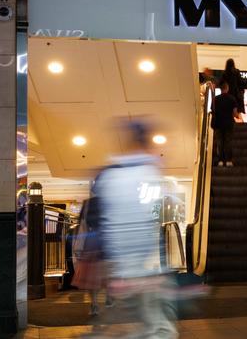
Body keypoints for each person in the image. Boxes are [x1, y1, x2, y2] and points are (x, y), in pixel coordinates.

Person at [88, 119, 177, 339]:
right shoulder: (150, 173)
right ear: (145, 142)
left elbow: (101, 219)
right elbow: (154, 219)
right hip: (145, 265)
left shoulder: (109, 175)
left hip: (118, 264)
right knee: (159, 328)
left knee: (141, 323)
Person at [212, 81, 238, 167]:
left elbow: (213, 111)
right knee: (228, 142)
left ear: (220, 89)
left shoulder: (215, 99)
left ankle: (220, 161)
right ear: (227, 88)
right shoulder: (232, 98)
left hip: (218, 124)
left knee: (219, 142)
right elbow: (235, 113)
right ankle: (229, 161)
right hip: (229, 124)